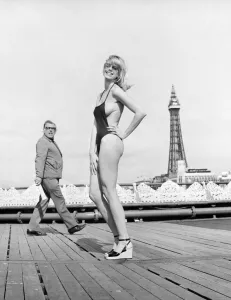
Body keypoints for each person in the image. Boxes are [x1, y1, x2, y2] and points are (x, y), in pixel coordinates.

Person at [89, 55, 147, 259]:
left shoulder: (115, 90)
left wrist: (124, 133)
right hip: (99, 145)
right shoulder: (101, 95)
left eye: (115, 67)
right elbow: (96, 124)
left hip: (111, 142)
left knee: (109, 191)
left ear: (119, 73)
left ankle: (125, 242)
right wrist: (91, 151)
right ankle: (118, 238)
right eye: (107, 65)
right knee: (95, 193)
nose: (110, 69)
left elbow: (140, 112)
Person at [27, 120, 86, 236]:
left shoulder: (50, 142)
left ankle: (32, 227)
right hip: (48, 177)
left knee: (43, 202)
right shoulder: (43, 142)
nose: (50, 130)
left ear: (55, 131)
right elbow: (40, 159)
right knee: (60, 201)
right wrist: (38, 175)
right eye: (48, 128)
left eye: (53, 128)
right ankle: (72, 225)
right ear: (43, 129)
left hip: (50, 176)